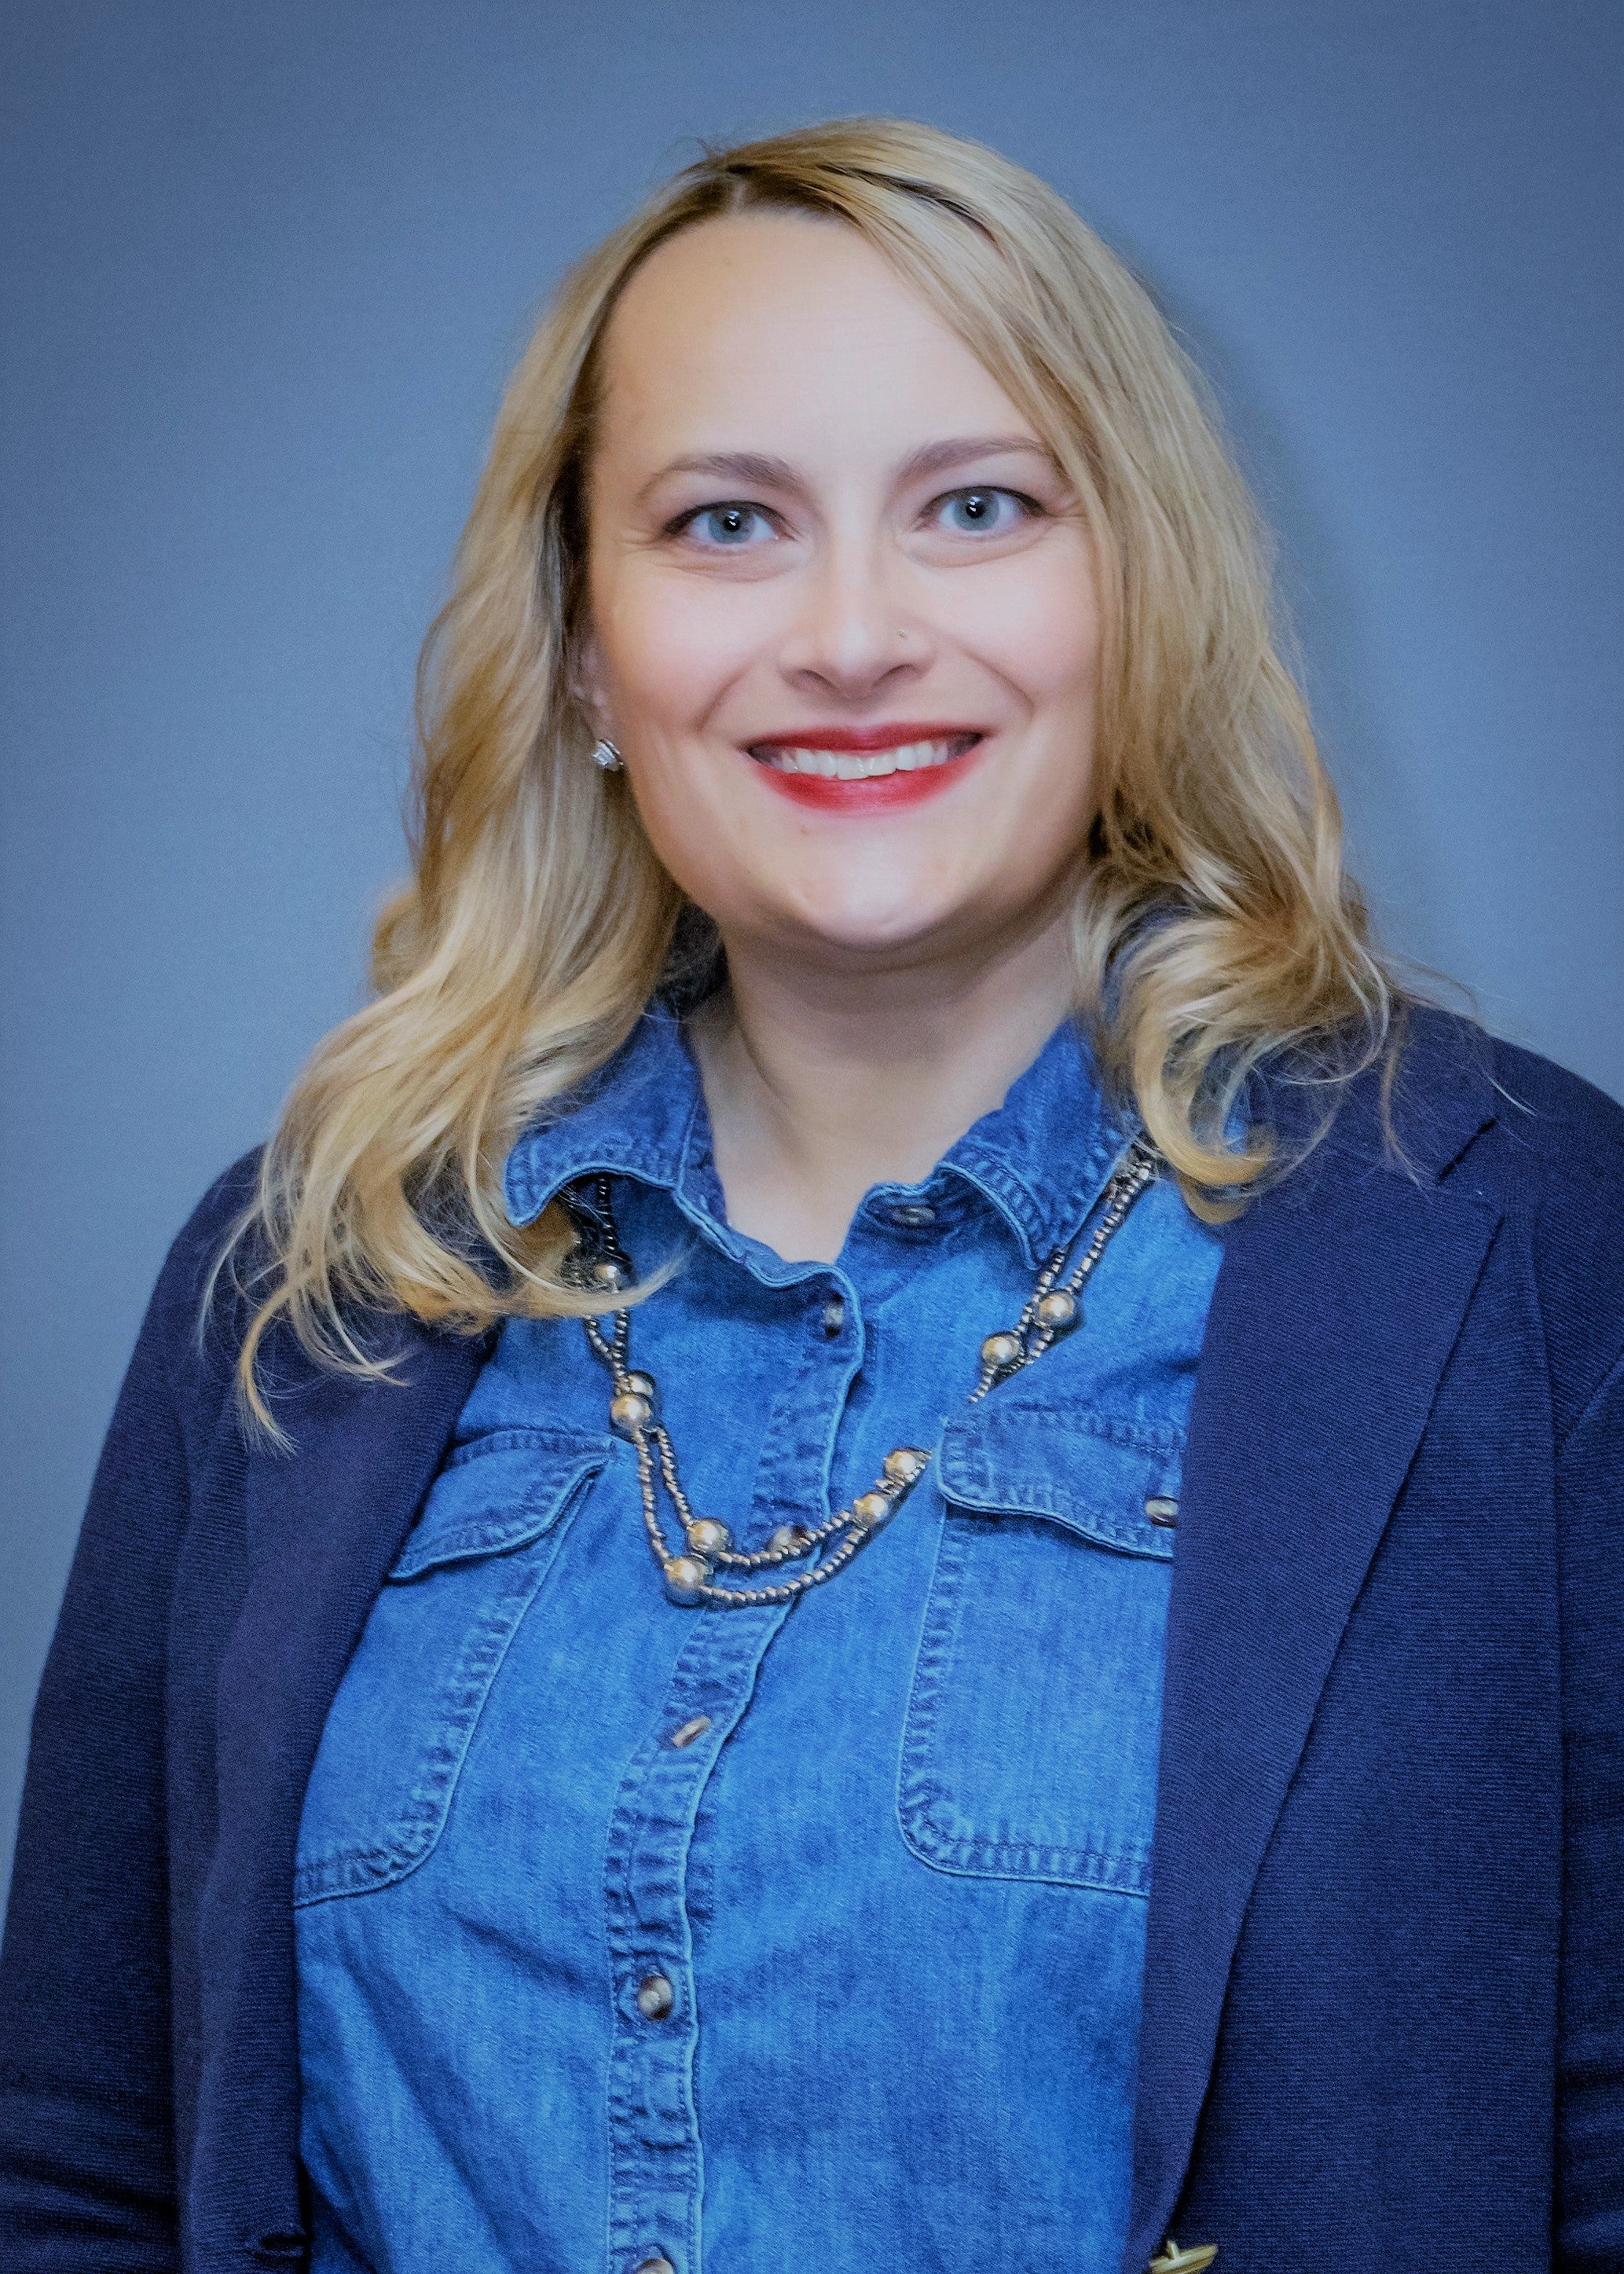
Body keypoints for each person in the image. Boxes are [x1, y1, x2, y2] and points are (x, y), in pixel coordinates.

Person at [1, 116, 1619, 2274]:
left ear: (1132, 591)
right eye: (725, 522)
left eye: (975, 506)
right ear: (586, 651)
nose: (853, 635)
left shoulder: (1507, 1245)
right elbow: (84, 2162)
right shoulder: (314, 1272)